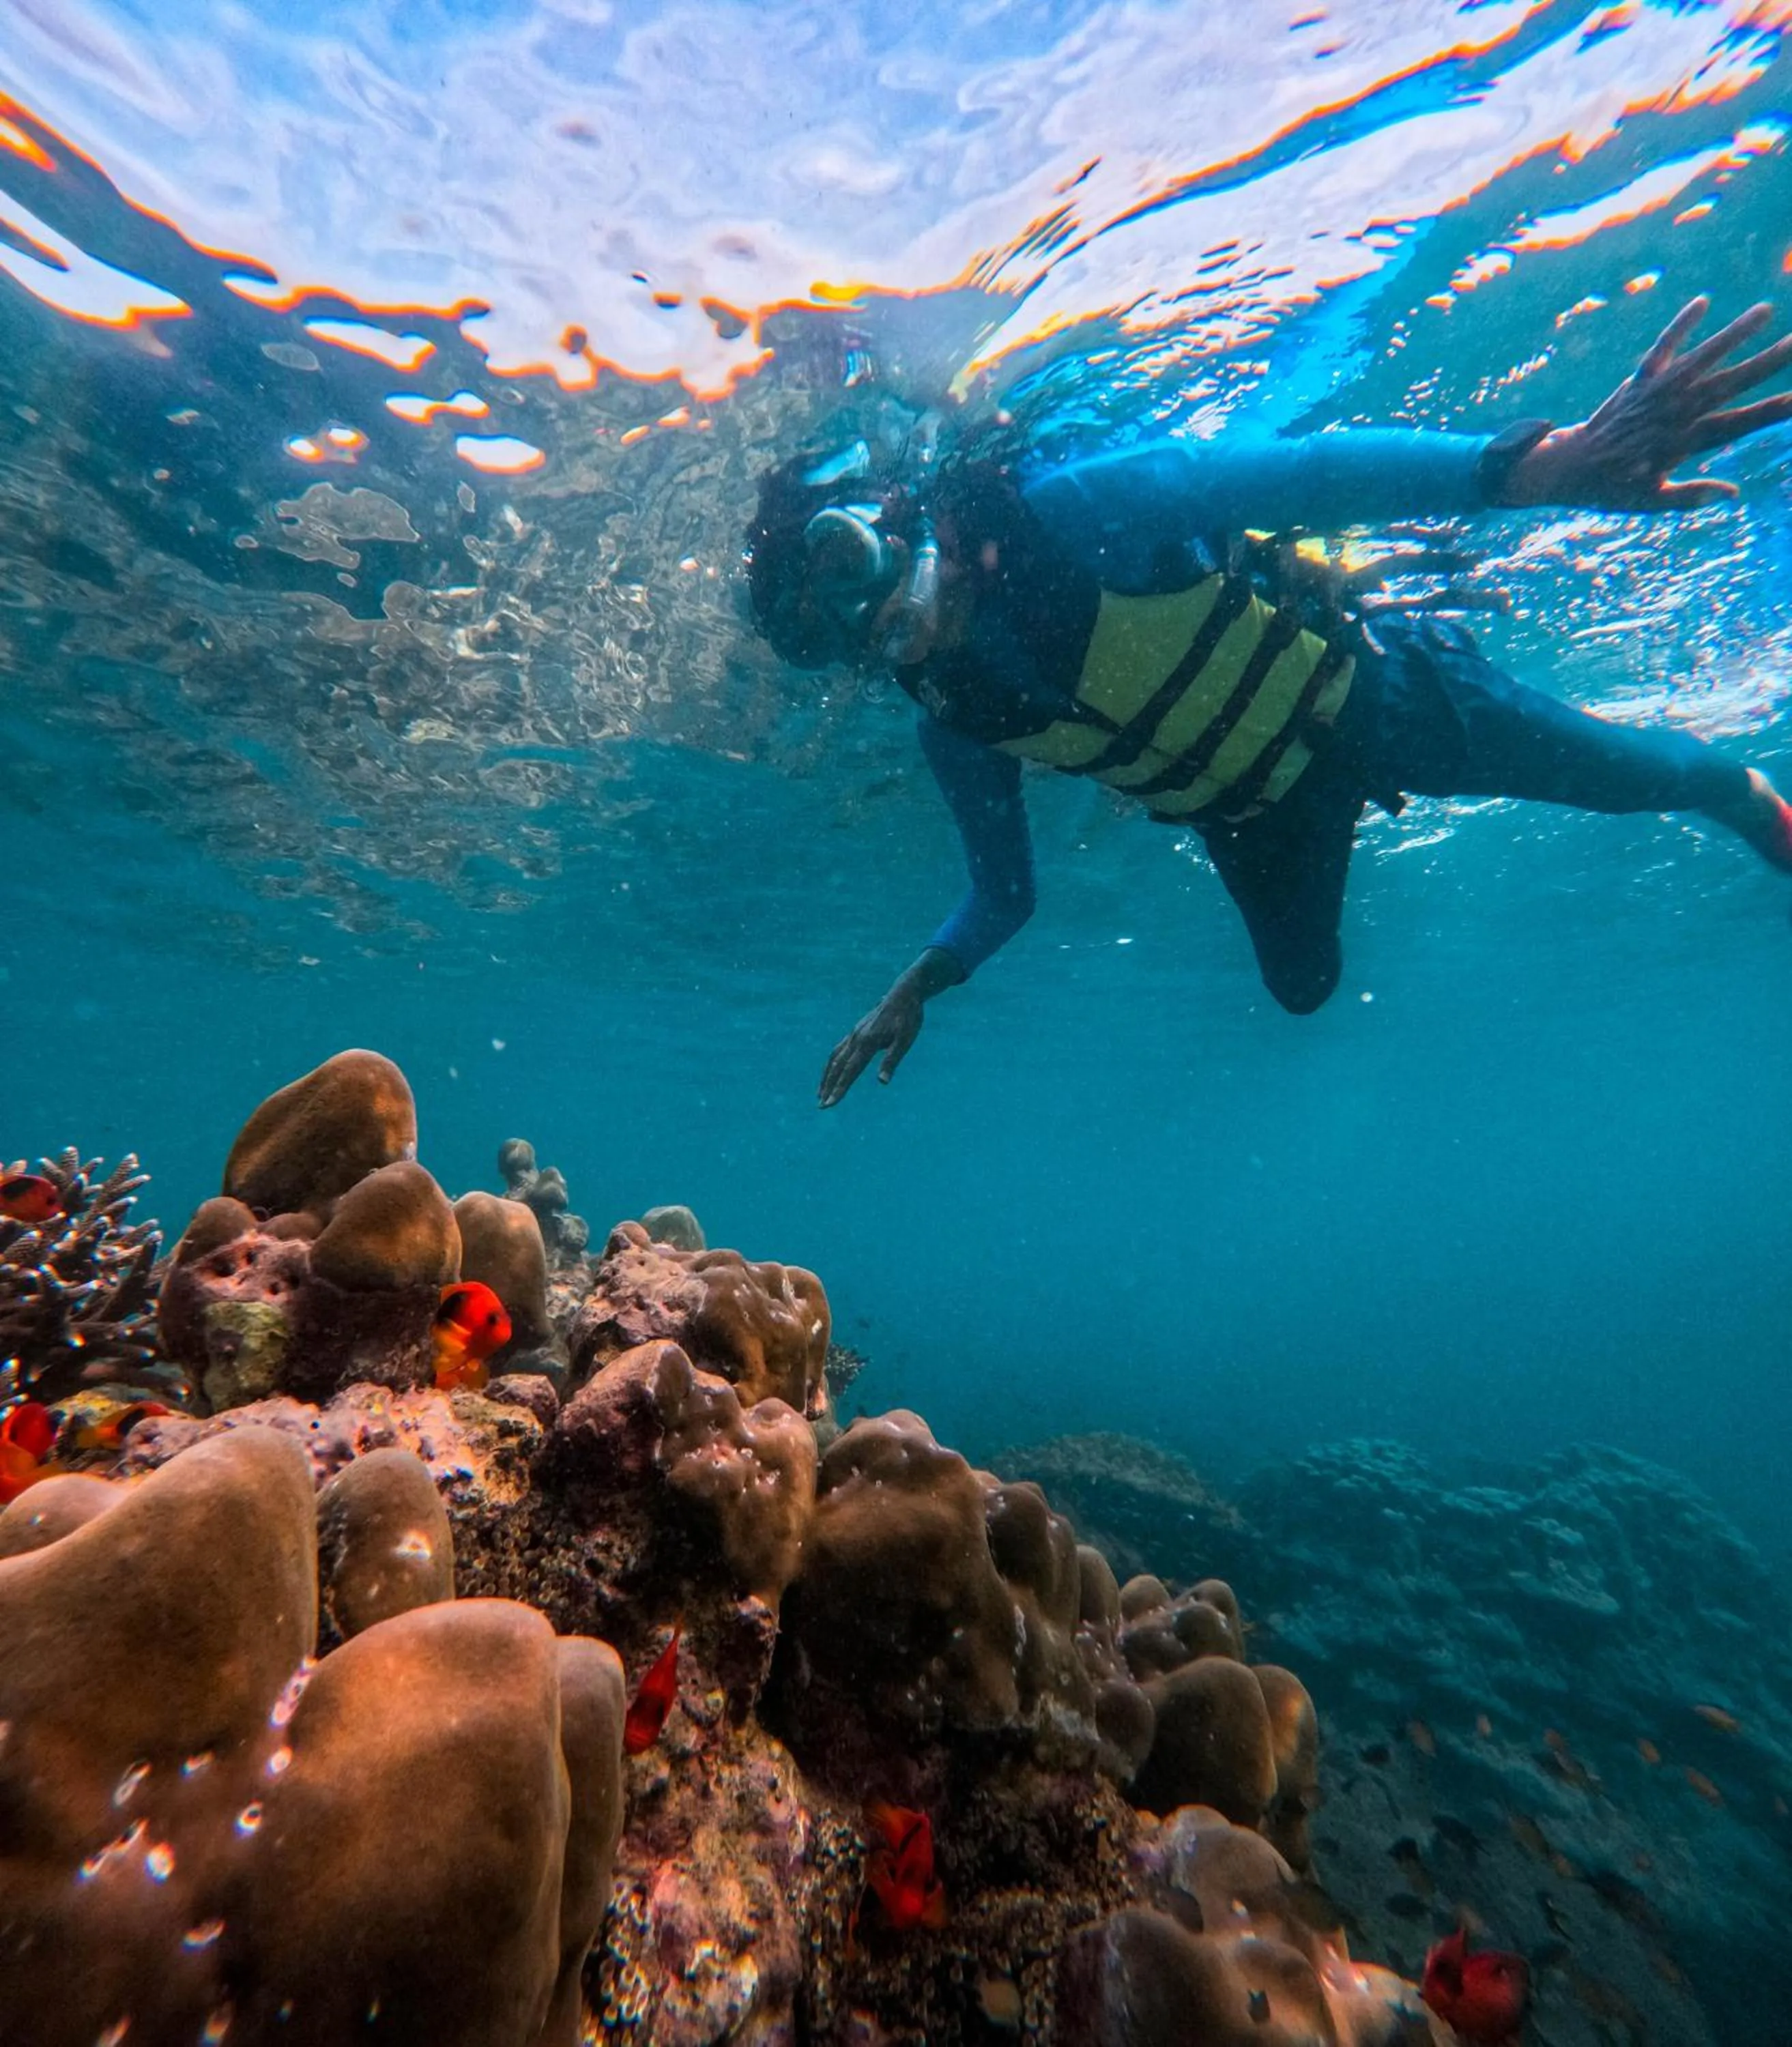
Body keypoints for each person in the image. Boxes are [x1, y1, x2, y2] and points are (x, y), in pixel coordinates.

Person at [743, 297, 1792, 1107]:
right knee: (1302, 989)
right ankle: (1343, 809)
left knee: (1646, 780)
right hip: (1259, 815)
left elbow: (1306, 471)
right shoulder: (953, 721)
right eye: (823, 633)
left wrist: (1526, 469)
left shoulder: (1068, 512)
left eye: (842, 561)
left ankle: (1743, 792)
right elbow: (1004, 894)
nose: (865, 614)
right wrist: (922, 980)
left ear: (886, 512)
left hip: (1386, 693)